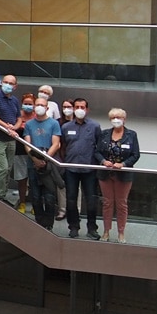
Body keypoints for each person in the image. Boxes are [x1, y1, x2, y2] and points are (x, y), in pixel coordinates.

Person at [61, 97, 103, 240]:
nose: (79, 109)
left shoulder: (95, 126)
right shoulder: (66, 127)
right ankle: (73, 227)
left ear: (87, 109)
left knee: (91, 200)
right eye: (77, 107)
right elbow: (63, 147)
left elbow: (99, 147)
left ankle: (92, 228)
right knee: (71, 199)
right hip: (71, 169)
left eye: (82, 107)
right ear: (73, 109)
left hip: (89, 169)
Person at [96, 108, 141, 243]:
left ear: (124, 119)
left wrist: (124, 164)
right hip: (106, 174)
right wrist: (104, 161)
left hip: (123, 174)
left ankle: (121, 232)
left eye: (119, 117)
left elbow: (135, 154)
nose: (116, 120)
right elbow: (97, 152)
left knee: (121, 204)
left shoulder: (131, 135)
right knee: (107, 203)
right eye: (113, 117)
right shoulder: (104, 134)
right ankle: (106, 231)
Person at [0, 73, 23, 201]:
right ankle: (0, 195)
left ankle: (3, 192)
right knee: (2, 168)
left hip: (11, 139)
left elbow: (19, 118)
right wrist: (6, 127)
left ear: (15, 86)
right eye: (5, 82)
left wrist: (15, 127)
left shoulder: (15, 100)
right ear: (2, 83)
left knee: (8, 168)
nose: (7, 85)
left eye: (11, 83)